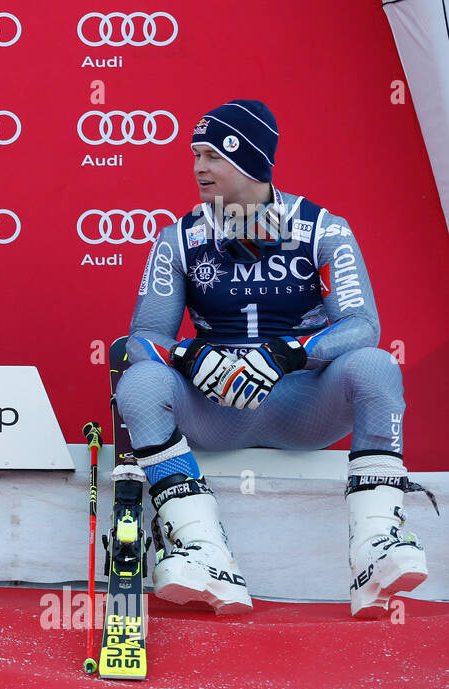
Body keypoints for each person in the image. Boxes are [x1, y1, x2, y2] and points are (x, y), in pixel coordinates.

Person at [116, 99, 435, 618]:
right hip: (215, 409)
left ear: (251, 162)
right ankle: (202, 549)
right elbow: (141, 338)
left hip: (303, 407)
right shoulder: (179, 237)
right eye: (195, 154)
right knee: (141, 383)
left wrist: (293, 353)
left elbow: (363, 326)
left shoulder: (322, 229)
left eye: (213, 155)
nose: (198, 167)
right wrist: (189, 355)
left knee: (375, 364)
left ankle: (375, 547)